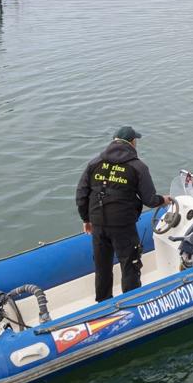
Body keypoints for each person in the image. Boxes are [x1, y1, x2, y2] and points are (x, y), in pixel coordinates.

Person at [75, 127, 171, 302]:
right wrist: (163, 200)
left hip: (98, 223)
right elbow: (149, 199)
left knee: (102, 266)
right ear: (133, 143)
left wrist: (86, 219)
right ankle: (131, 303)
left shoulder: (94, 163)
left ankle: (103, 304)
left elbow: (81, 194)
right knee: (130, 264)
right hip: (123, 225)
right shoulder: (138, 167)